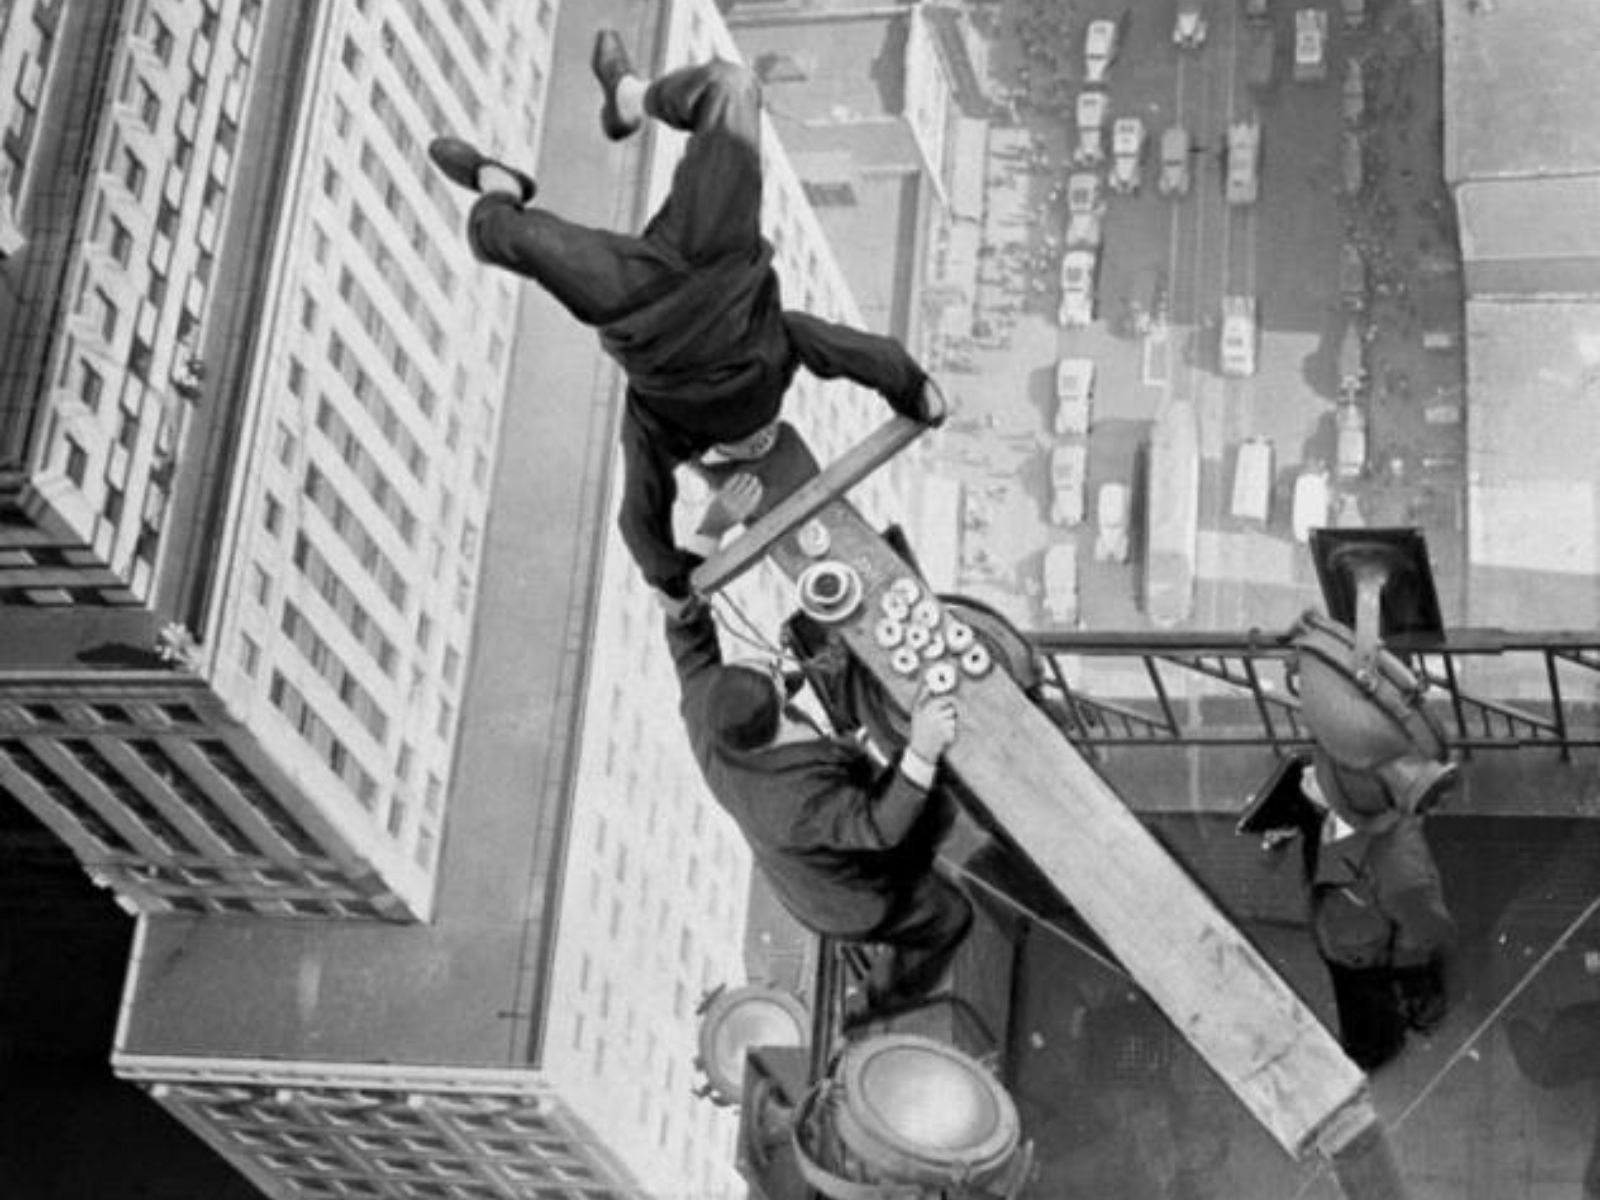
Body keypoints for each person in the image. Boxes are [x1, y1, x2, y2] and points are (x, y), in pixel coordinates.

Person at [427, 32, 945, 601]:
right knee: (731, 86)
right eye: (764, 441)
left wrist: (671, 572)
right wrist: (914, 390)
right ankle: (630, 96)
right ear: (777, 421)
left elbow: (639, 515)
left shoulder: (660, 425)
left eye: (748, 452)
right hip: (717, 252)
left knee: (506, 234)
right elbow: (861, 354)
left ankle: (494, 181)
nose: (755, 441)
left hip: (635, 300)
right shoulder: (783, 345)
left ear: (713, 459)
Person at [660, 480, 972, 1013]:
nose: (779, 670)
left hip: (840, 825)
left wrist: (710, 529)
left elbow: (680, 615)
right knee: (948, 916)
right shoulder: (795, 803)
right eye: (776, 677)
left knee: (937, 802)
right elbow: (877, 828)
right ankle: (876, 1003)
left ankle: (935, 833)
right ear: (780, 711)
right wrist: (919, 748)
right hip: (852, 897)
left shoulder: (706, 708)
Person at [1246, 750, 1455, 1070]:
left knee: (1372, 1018)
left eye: (1317, 779)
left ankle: (1388, 1046)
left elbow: (1418, 920)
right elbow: (1272, 854)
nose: (1307, 777)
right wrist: (1277, 840)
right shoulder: (1320, 800)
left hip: (1365, 949)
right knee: (1359, 1004)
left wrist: (1412, 976)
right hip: (1342, 940)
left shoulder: (1393, 851)